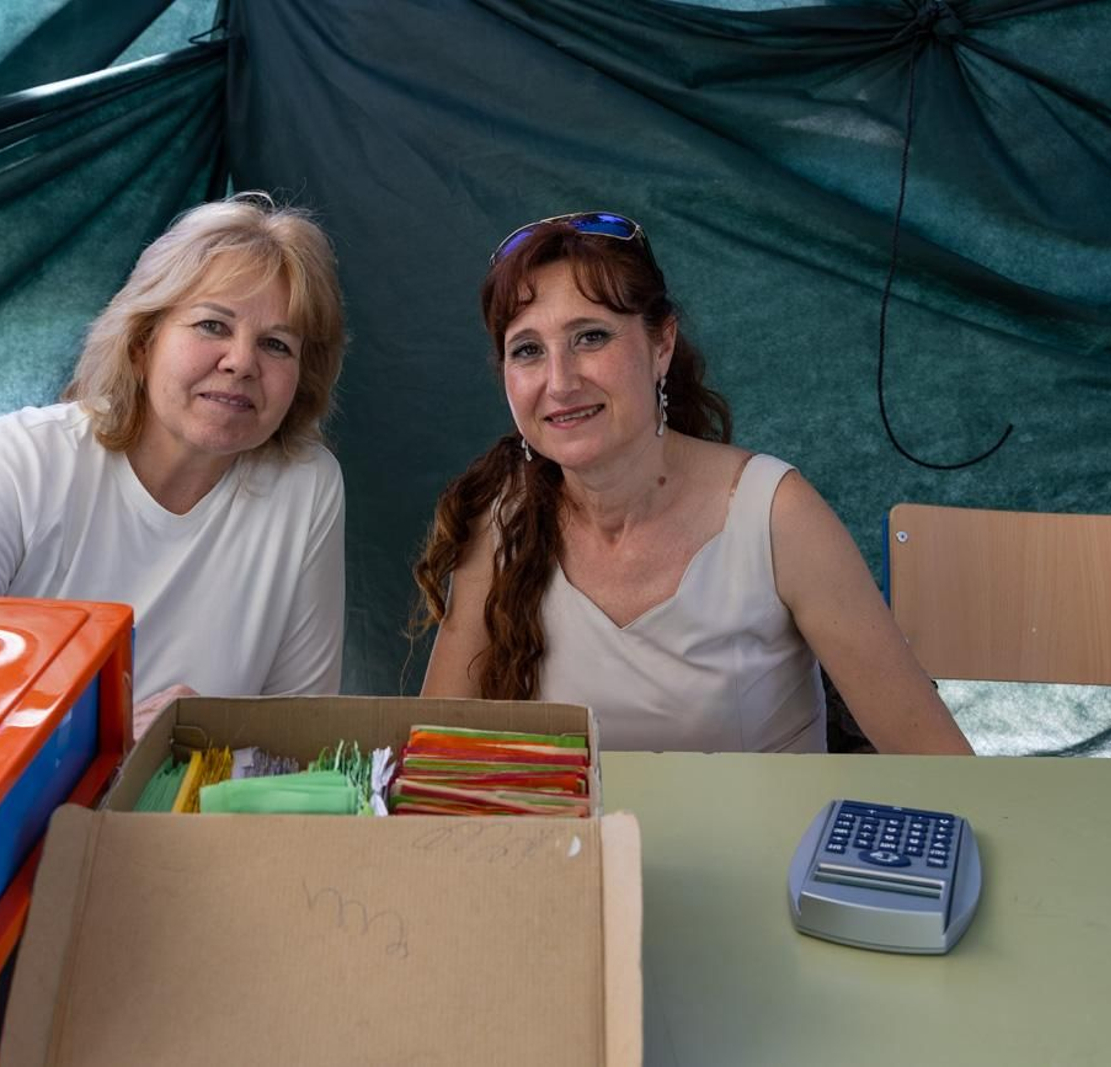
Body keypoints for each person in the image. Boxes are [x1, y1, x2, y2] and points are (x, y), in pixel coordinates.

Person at [413, 212, 972, 754]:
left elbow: (940, 763)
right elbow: (434, 757)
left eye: (590, 337)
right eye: (528, 350)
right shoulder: (501, 519)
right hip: (574, 851)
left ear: (662, 345)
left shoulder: (776, 514)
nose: (560, 381)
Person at [0, 193, 347, 736]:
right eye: (212, 325)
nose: (240, 362)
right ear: (142, 344)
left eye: (277, 344)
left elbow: (298, 732)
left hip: (185, 816)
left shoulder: (306, 486)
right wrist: (96, 735)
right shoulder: (22, 460)